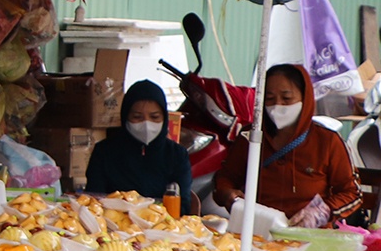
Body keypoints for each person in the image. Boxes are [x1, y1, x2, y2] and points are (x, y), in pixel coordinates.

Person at [212, 63, 362, 225]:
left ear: (305, 98)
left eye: (287, 98)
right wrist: (227, 193)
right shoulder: (251, 137)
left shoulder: (327, 141)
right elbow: (226, 177)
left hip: (309, 233)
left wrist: (321, 212)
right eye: (270, 99)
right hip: (257, 229)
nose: (278, 105)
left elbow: (352, 193)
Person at [85, 80, 194, 203]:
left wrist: (150, 209)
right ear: (125, 116)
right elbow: (93, 200)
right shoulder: (104, 152)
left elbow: (183, 205)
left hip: (162, 215)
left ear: (164, 118)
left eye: (154, 117)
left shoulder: (177, 155)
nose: (146, 123)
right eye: (137, 117)